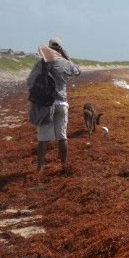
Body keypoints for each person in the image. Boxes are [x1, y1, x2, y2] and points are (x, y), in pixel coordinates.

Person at [26, 38, 81, 172]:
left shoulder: (41, 64)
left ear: (49, 48)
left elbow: (30, 81)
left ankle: (40, 168)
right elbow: (78, 71)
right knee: (62, 136)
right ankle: (64, 165)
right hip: (62, 103)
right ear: (60, 49)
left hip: (45, 104)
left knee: (43, 138)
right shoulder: (64, 63)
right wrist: (66, 56)